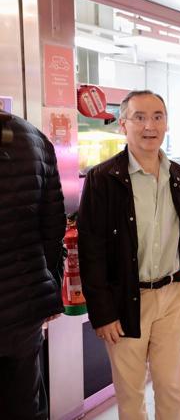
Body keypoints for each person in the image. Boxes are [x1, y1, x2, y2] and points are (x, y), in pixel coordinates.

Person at [78, 90, 180, 420]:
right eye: (140, 117)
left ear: (166, 123)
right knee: (131, 391)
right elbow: (90, 249)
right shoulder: (102, 179)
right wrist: (102, 313)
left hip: (173, 295)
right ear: (123, 125)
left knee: (172, 386)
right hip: (126, 298)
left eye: (158, 117)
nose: (150, 125)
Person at [0, 111, 66, 420]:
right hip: (24, 306)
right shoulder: (34, 138)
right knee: (24, 402)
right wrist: (49, 285)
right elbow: (53, 228)